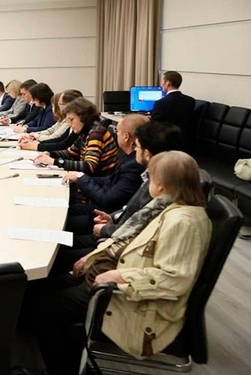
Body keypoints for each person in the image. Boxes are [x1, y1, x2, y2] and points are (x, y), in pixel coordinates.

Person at [26, 151, 210, 374]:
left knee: (43, 309)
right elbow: (127, 242)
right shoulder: (165, 207)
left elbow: (174, 279)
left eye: (150, 178)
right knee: (37, 287)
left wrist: (119, 276)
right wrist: (90, 257)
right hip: (106, 276)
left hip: (124, 296)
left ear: (161, 186)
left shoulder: (183, 223)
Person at [51, 121, 184, 273]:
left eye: (137, 146)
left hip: (115, 245)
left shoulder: (157, 186)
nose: (135, 149)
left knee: (56, 252)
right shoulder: (154, 175)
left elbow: (135, 231)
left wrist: (107, 229)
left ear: (147, 153)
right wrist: (111, 218)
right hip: (113, 227)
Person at [63, 114, 148, 235]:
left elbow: (106, 200)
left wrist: (82, 178)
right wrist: (79, 178)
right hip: (106, 210)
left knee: (61, 221)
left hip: (107, 216)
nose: (116, 134)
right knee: (62, 209)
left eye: (117, 131)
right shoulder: (130, 157)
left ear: (126, 137)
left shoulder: (135, 163)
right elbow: (111, 179)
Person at [34, 97, 119, 176]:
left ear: (83, 116)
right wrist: (49, 154)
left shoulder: (96, 133)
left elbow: (89, 166)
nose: (69, 124)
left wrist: (54, 161)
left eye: (71, 119)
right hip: (90, 179)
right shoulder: (84, 131)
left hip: (100, 181)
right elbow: (71, 153)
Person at [18, 90, 83, 152]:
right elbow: (59, 139)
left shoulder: (74, 123)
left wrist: (36, 143)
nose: (57, 106)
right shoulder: (66, 120)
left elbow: (60, 142)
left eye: (60, 104)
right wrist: (35, 139)